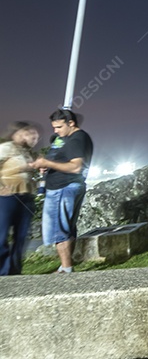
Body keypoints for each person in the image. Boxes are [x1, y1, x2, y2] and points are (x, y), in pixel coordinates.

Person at [30, 109, 93, 273]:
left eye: (58, 127)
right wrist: (47, 165)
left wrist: (48, 163)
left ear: (71, 123)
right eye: (54, 127)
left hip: (63, 188)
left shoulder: (76, 139)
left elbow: (76, 166)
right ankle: (65, 266)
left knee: (59, 230)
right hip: (65, 187)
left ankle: (66, 269)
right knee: (67, 228)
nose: (55, 131)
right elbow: (61, 160)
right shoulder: (64, 139)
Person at [0, 121, 41, 275]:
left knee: (21, 236)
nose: (30, 136)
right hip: (7, 198)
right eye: (26, 132)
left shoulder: (28, 152)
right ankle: (3, 271)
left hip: (26, 198)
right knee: (1, 236)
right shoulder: (5, 148)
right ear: (16, 134)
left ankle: (15, 271)